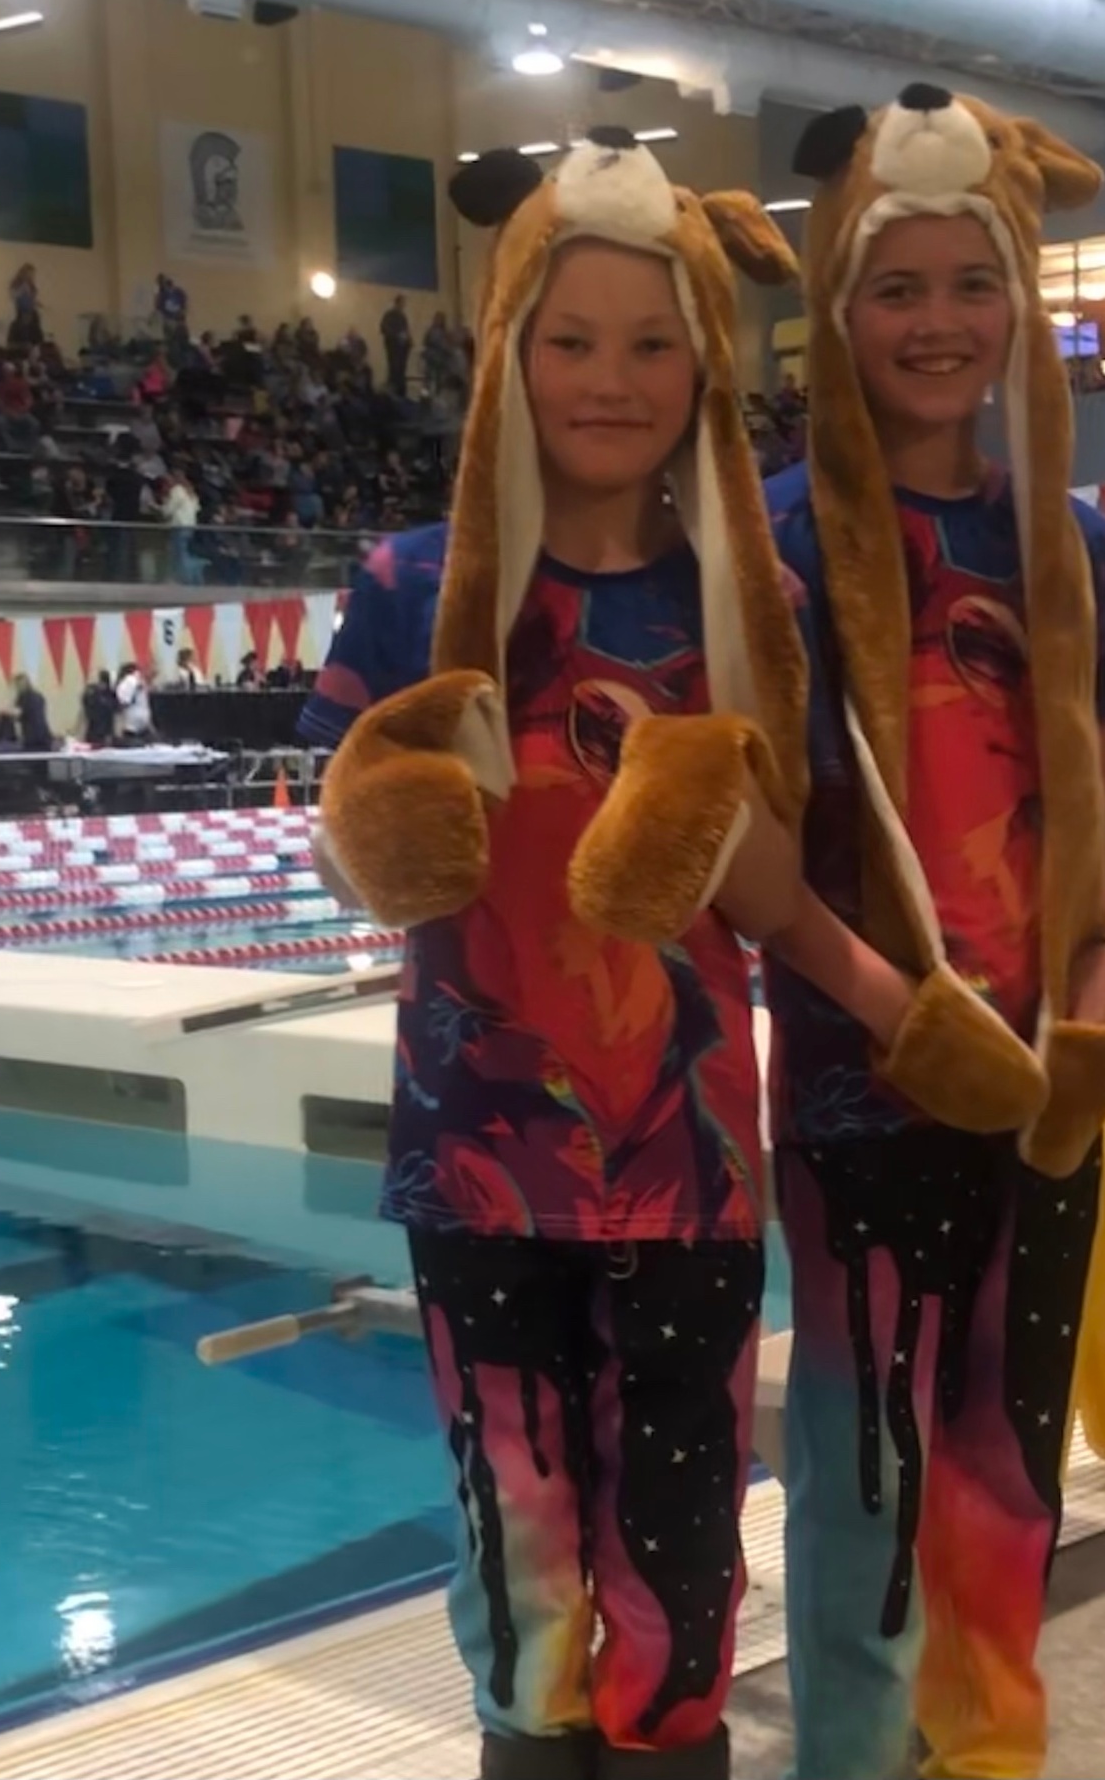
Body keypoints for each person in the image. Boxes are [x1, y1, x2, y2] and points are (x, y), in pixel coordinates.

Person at [301, 131, 809, 1780]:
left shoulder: (744, 596)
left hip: (687, 1146)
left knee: (682, 1538)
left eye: (653, 342)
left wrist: (712, 814)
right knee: (512, 1527)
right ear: (509, 350)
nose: (612, 378)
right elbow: (343, 852)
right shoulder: (411, 585)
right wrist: (373, 831)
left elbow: (786, 883)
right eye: (573, 339)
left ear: (706, 361)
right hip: (475, 1148)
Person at [764, 86, 1105, 1780]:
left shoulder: (1069, 540)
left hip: (1048, 1085)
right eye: (897, 288)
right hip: (862, 1084)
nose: (939, 322)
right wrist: (897, 1011)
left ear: (1018, 302)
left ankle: (990, 1754)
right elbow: (752, 857)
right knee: (864, 1474)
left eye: (971, 284)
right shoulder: (775, 541)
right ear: (839, 309)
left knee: (1006, 1468)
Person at [380, 293, 413, 398]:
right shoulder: (389, 315)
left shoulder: (402, 316)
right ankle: (393, 393)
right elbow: (384, 328)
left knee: (400, 371)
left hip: (402, 348)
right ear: (397, 303)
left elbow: (406, 330)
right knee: (394, 369)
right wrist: (397, 335)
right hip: (393, 347)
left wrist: (408, 340)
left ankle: (400, 393)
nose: (403, 305)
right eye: (402, 302)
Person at [113, 661, 153, 744]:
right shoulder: (132, 680)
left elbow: (123, 702)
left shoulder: (125, 683)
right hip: (139, 720)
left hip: (132, 720)